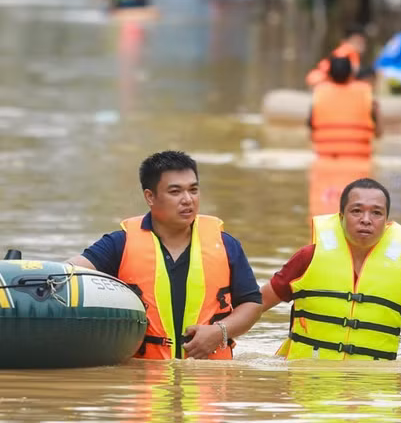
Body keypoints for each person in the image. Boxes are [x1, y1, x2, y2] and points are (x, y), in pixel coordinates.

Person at [66, 151, 263, 360]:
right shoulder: (120, 243)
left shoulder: (225, 244)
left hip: (209, 377)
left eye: (193, 190)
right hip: (143, 377)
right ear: (150, 197)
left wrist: (219, 332)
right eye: (175, 191)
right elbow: (71, 271)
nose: (188, 200)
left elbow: (252, 303)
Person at [259, 178, 401, 362]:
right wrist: (228, 335)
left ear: (386, 220)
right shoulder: (308, 258)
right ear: (341, 216)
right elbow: (258, 302)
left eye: (376, 213)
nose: (366, 220)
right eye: (356, 211)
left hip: (375, 390)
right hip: (309, 386)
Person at [309, 55, 382, 157]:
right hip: (358, 162)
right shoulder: (365, 94)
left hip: (326, 161)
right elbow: (378, 134)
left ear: (329, 76)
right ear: (351, 75)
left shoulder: (319, 95)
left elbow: (311, 135)